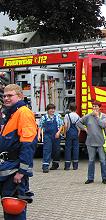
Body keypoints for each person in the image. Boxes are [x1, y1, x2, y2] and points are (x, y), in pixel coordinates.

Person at [0, 84, 37, 220]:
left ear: (20, 96)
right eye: (4, 96)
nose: (6, 98)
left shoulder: (23, 113)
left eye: (10, 95)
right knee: (9, 209)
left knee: (14, 210)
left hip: (15, 173)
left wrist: (22, 171)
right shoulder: (11, 113)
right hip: (7, 169)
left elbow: (28, 144)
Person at [78, 101, 106, 184]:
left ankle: (104, 178)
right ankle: (90, 178)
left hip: (101, 142)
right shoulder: (88, 116)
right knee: (91, 160)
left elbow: (103, 125)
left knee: (103, 160)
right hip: (90, 142)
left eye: (96, 106)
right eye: (93, 106)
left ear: (99, 107)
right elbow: (78, 122)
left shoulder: (103, 116)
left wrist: (97, 117)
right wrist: (84, 129)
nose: (94, 108)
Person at [38, 103, 63, 173]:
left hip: (56, 135)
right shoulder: (44, 117)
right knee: (47, 150)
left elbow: (61, 125)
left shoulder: (58, 116)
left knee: (56, 150)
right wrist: (39, 135)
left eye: (53, 109)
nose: (52, 110)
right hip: (47, 136)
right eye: (51, 109)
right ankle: (45, 166)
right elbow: (40, 126)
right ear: (48, 110)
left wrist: (58, 132)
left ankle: (55, 164)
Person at [63, 102, 80, 170]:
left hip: (69, 133)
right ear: (76, 109)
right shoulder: (78, 116)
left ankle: (67, 166)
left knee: (68, 149)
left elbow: (66, 126)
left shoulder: (67, 116)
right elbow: (79, 127)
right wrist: (78, 134)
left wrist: (64, 134)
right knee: (75, 149)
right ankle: (75, 166)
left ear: (69, 108)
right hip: (75, 133)